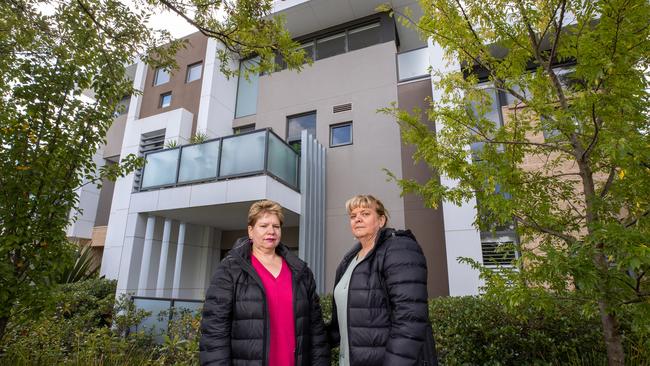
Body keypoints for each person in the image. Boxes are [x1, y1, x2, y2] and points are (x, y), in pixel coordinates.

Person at [200, 200, 330, 366]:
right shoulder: (229, 270)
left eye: (276, 226)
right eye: (264, 226)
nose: (271, 231)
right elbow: (214, 332)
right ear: (250, 231)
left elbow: (316, 329)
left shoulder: (300, 271)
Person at [329, 194, 437, 366]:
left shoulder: (399, 249)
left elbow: (410, 319)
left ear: (381, 220)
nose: (357, 219)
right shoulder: (348, 261)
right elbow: (340, 324)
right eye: (353, 216)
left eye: (365, 214)